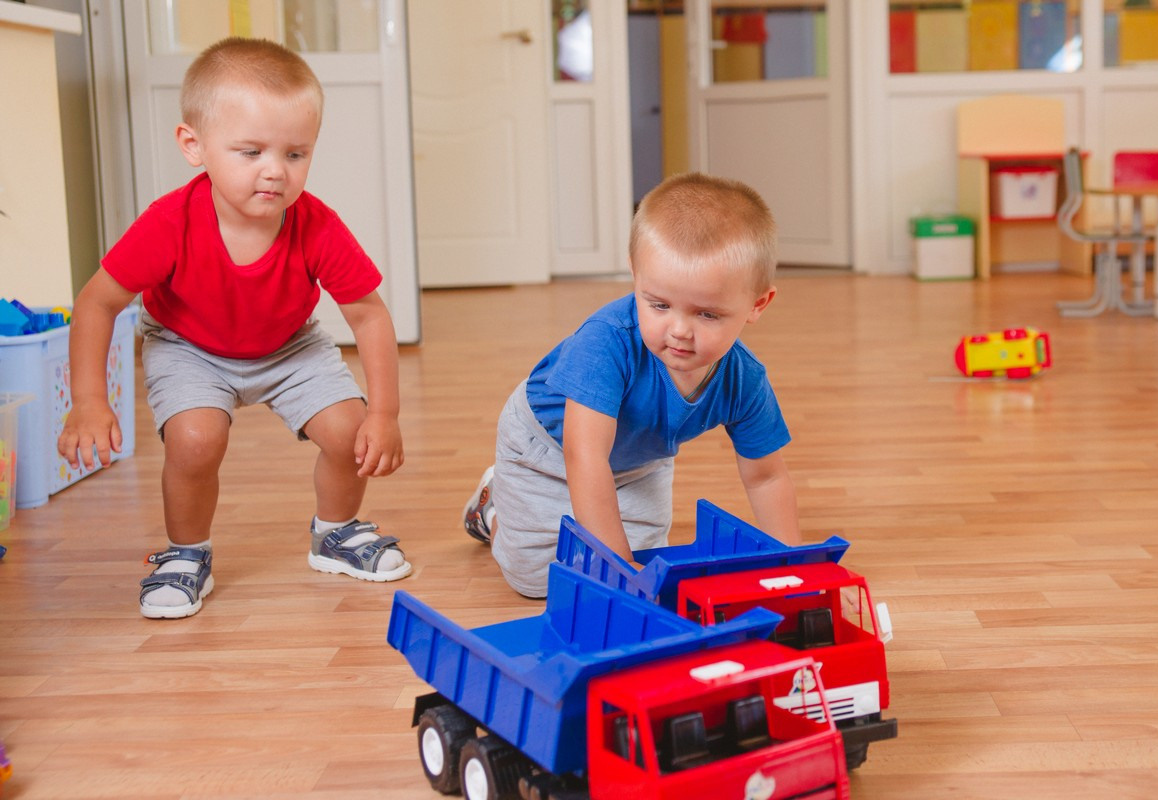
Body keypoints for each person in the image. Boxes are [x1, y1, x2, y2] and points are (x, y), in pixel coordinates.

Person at [57, 37, 410, 620]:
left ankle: (336, 533)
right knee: (195, 441)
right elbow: (97, 303)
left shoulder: (316, 226)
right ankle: (185, 553)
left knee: (349, 433)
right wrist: (90, 401)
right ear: (194, 146)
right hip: (188, 345)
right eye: (250, 152)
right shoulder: (169, 223)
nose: (275, 171)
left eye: (295, 155)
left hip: (289, 345)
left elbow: (368, 314)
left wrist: (385, 413)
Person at [463, 172, 800, 598]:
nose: (679, 330)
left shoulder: (744, 379)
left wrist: (797, 577)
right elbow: (585, 457)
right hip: (545, 447)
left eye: (707, 315)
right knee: (534, 580)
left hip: (640, 459)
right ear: (636, 277)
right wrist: (619, 579)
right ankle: (492, 511)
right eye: (658, 304)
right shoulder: (605, 342)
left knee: (645, 561)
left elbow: (766, 478)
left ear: (757, 305)